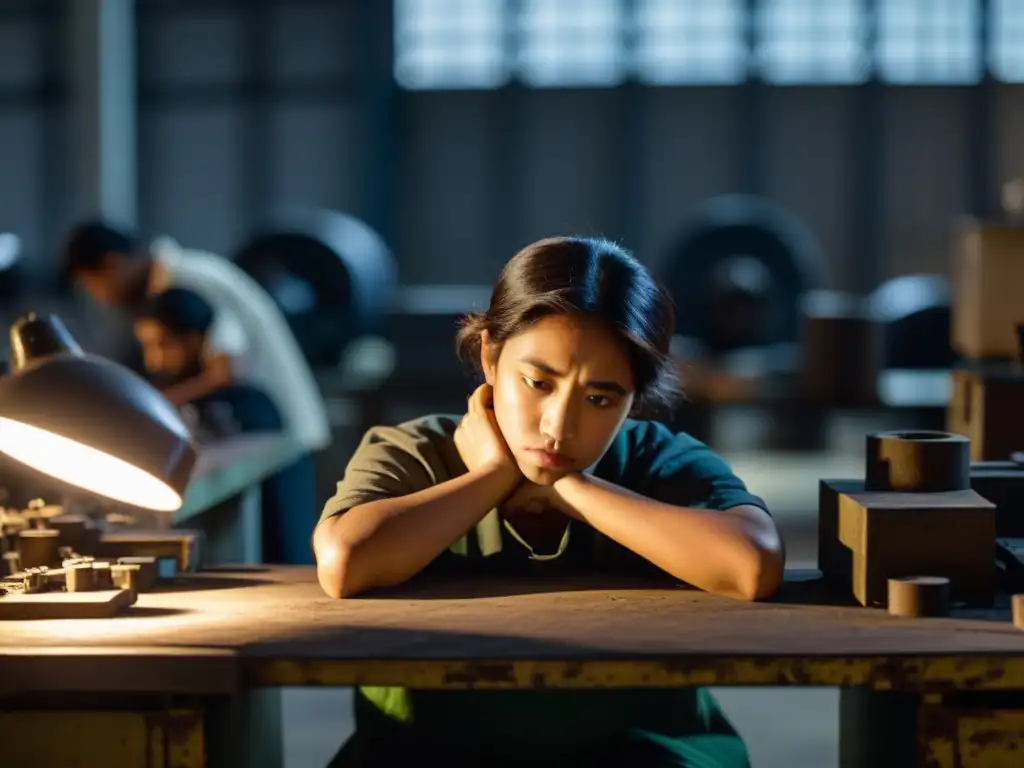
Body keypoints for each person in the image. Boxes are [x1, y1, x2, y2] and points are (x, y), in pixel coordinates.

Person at [313, 236, 786, 767]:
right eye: (538, 382)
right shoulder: (417, 452)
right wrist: (492, 476)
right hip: (428, 748)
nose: (558, 427)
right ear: (491, 356)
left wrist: (570, 488)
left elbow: (752, 564)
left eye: (600, 398)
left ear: (634, 398)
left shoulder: (656, 460)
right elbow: (345, 561)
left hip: (639, 749)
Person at [63, 220, 330, 563]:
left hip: (273, 430)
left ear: (113, 264)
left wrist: (150, 407)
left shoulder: (188, 279)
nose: (100, 299)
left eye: (93, 286)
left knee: (284, 557)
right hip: (260, 429)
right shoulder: (182, 272)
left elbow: (228, 367)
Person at [134, 288, 317, 552]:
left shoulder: (246, 407)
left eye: (162, 344)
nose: (153, 361)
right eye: (147, 347)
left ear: (195, 339)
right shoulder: (179, 397)